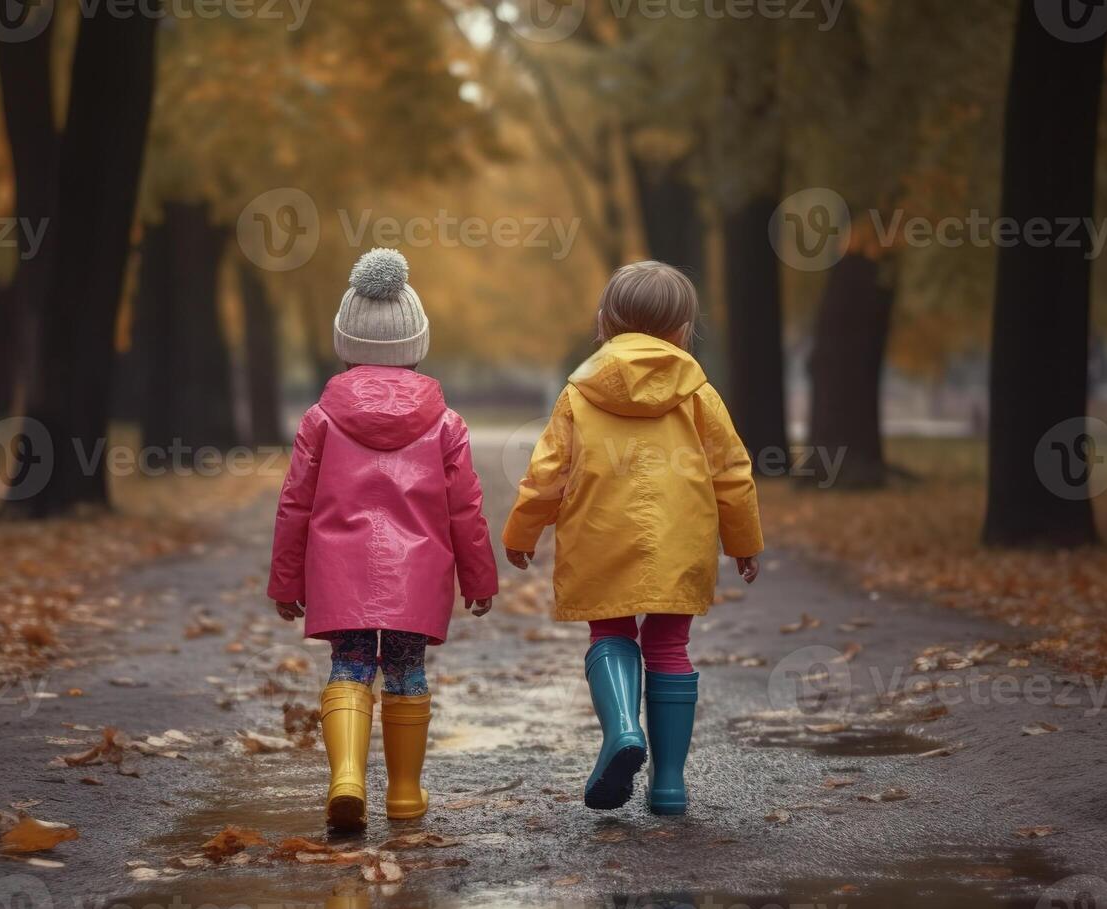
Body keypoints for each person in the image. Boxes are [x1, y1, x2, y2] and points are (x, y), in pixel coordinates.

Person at [503, 260, 763, 815]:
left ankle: (622, 727)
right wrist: (743, 539)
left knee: (611, 631)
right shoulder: (698, 393)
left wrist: (522, 529)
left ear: (604, 323)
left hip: (600, 534)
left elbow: (547, 471)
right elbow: (732, 471)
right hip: (679, 540)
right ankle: (668, 785)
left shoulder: (580, 392)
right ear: (683, 331)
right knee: (669, 645)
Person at [267, 248, 497, 832]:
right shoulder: (446, 423)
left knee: (349, 664)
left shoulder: (321, 418)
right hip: (414, 575)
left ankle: (346, 779)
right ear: (416, 343)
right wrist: (478, 577)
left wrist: (287, 579)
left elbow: (294, 502)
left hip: (339, 573)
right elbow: (465, 508)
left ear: (346, 343)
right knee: (404, 669)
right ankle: (403, 794)